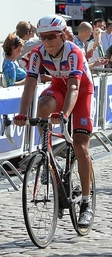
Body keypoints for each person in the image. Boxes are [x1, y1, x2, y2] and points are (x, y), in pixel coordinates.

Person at [13, 14, 95, 229]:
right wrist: (22, 113)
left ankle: (86, 203)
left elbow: (75, 88)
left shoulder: (73, 52)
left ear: (62, 35)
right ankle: (47, 154)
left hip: (81, 90)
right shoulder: (38, 53)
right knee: (43, 105)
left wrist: (66, 114)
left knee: (80, 146)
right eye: (42, 37)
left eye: (51, 37)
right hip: (59, 86)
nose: (47, 41)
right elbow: (30, 85)